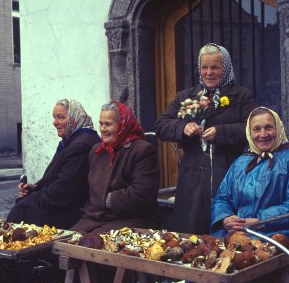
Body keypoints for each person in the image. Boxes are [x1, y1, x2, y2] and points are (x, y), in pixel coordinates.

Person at [154, 43, 256, 234]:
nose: (209, 72)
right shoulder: (186, 96)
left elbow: (251, 128)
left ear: (225, 69)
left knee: (226, 230)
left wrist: (221, 132)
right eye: (204, 67)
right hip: (193, 175)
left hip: (228, 170)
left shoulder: (242, 96)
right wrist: (182, 127)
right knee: (191, 233)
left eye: (215, 67)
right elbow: (161, 125)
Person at [6, 99, 101, 229]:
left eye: (60, 117)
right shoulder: (72, 141)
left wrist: (31, 199)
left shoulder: (80, 145)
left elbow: (62, 192)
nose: (55, 122)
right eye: (54, 117)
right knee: (21, 209)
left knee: (21, 212)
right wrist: (36, 188)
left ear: (74, 118)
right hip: (65, 205)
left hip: (71, 211)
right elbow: (59, 178)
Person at [71, 100, 160, 234]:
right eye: (101, 123)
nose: (102, 129)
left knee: (93, 246)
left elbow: (142, 194)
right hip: (96, 217)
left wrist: (107, 200)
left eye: (108, 124)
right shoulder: (97, 151)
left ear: (122, 125)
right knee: (64, 242)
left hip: (131, 219)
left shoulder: (142, 150)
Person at [211, 107, 289, 237]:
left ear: (278, 129)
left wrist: (261, 221)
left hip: (276, 237)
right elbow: (222, 198)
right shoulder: (240, 163)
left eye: (268, 127)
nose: (263, 134)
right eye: (256, 129)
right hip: (236, 236)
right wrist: (225, 219)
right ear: (249, 132)